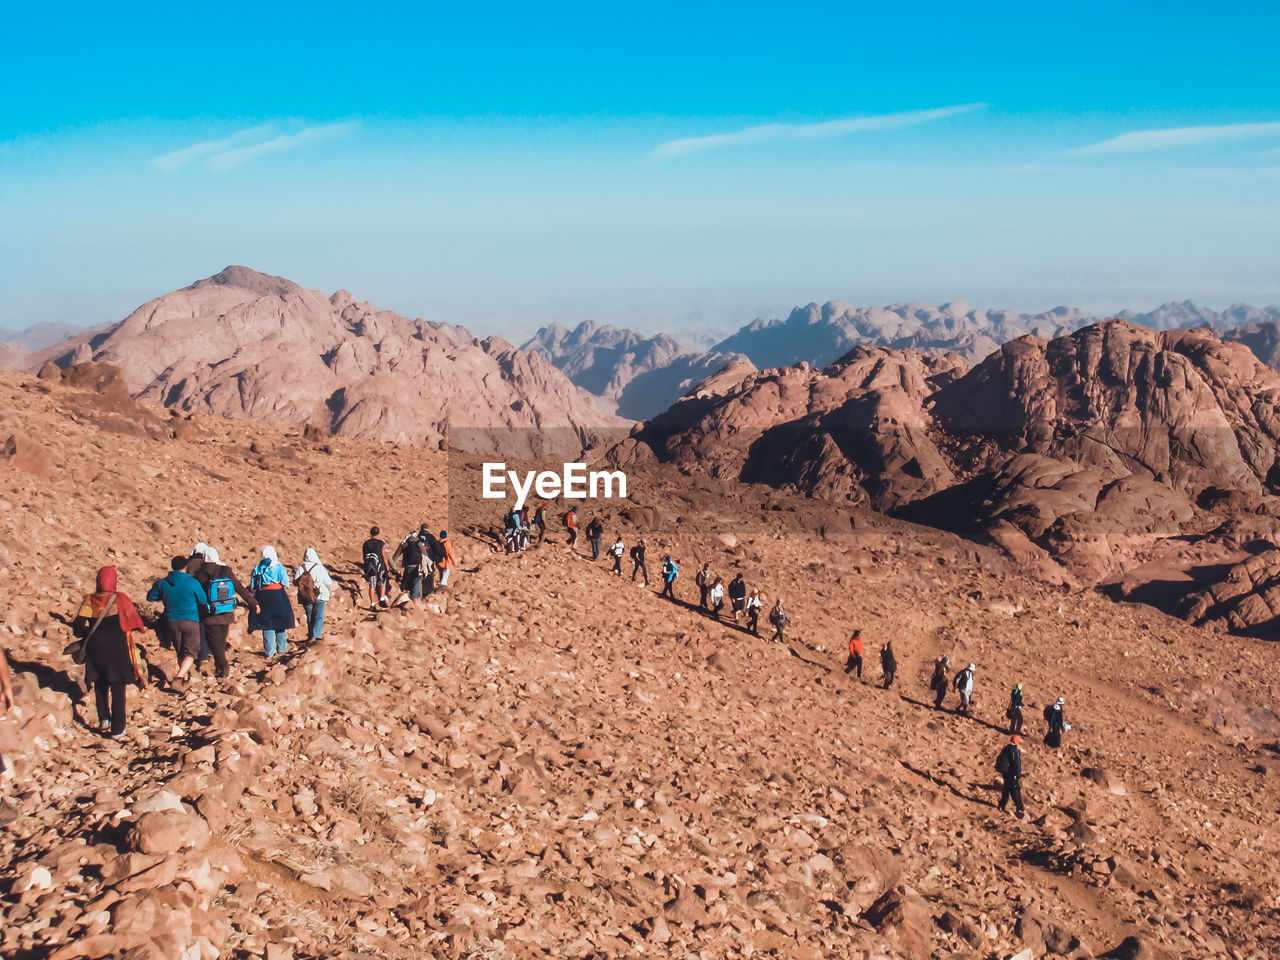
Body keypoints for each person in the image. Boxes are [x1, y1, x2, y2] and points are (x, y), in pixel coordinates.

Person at [72, 567, 146, 739]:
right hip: (117, 647)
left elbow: (78, 627)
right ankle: (118, 729)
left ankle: (104, 719)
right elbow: (135, 622)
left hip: (95, 647)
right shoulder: (120, 599)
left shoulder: (89, 601)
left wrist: (88, 634)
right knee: (118, 686)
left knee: (99, 682)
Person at [191, 546, 257, 679]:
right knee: (220, 641)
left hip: (211, 614)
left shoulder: (201, 573)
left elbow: (196, 594)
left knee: (216, 643)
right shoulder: (226, 570)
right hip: (227, 611)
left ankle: (223, 667)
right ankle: (220, 667)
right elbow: (239, 588)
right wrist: (253, 603)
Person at [146, 556, 209, 687]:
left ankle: (183, 681)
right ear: (186, 567)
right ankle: (179, 677)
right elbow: (203, 600)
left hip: (171, 620)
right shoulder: (192, 583)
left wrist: (165, 595)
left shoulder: (163, 583)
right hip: (190, 620)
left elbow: (150, 597)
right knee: (191, 652)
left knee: (180, 650)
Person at [249, 546, 295, 659]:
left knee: (266, 624)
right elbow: (285, 583)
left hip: (263, 596)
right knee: (280, 622)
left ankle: (269, 652)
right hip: (278, 595)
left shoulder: (257, 568)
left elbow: (252, 585)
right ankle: (282, 649)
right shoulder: (279, 568)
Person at [295, 548, 335, 641]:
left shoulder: (301, 568)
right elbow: (328, 582)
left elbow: (295, 582)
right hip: (320, 594)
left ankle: (310, 636)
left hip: (306, 596)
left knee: (310, 617)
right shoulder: (320, 568)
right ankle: (316, 636)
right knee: (319, 616)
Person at [361, 526, 395, 609]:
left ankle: (372, 604)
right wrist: (387, 567)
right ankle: (381, 598)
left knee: (372, 585)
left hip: (370, 567)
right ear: (378, 533)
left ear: (370, 533)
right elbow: (384, 556)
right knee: (382, 582)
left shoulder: (366, 543)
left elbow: (364, 556)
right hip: (380, 566)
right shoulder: (381, 543)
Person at [995, 735, 1025, 817]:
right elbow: (1016, 764)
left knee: (1006, 790)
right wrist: (1018, 774)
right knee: (1015, 792)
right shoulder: (1014, 751)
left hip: (1006, 773)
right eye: (1019, 742)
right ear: (1015, 742)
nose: (1019, 743)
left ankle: (1001, 805)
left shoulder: (1006, 748)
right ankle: (1020, 809)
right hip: (1012, 774)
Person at [394, 529, 427, 594]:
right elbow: (425, 554)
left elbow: (396, 556)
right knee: (416, 584)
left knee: (405, 583)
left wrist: (391, 565)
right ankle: (414, 597)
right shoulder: (418, 543)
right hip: (417, 566)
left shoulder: (404, 543)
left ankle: (403, 595)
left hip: (407, 565)